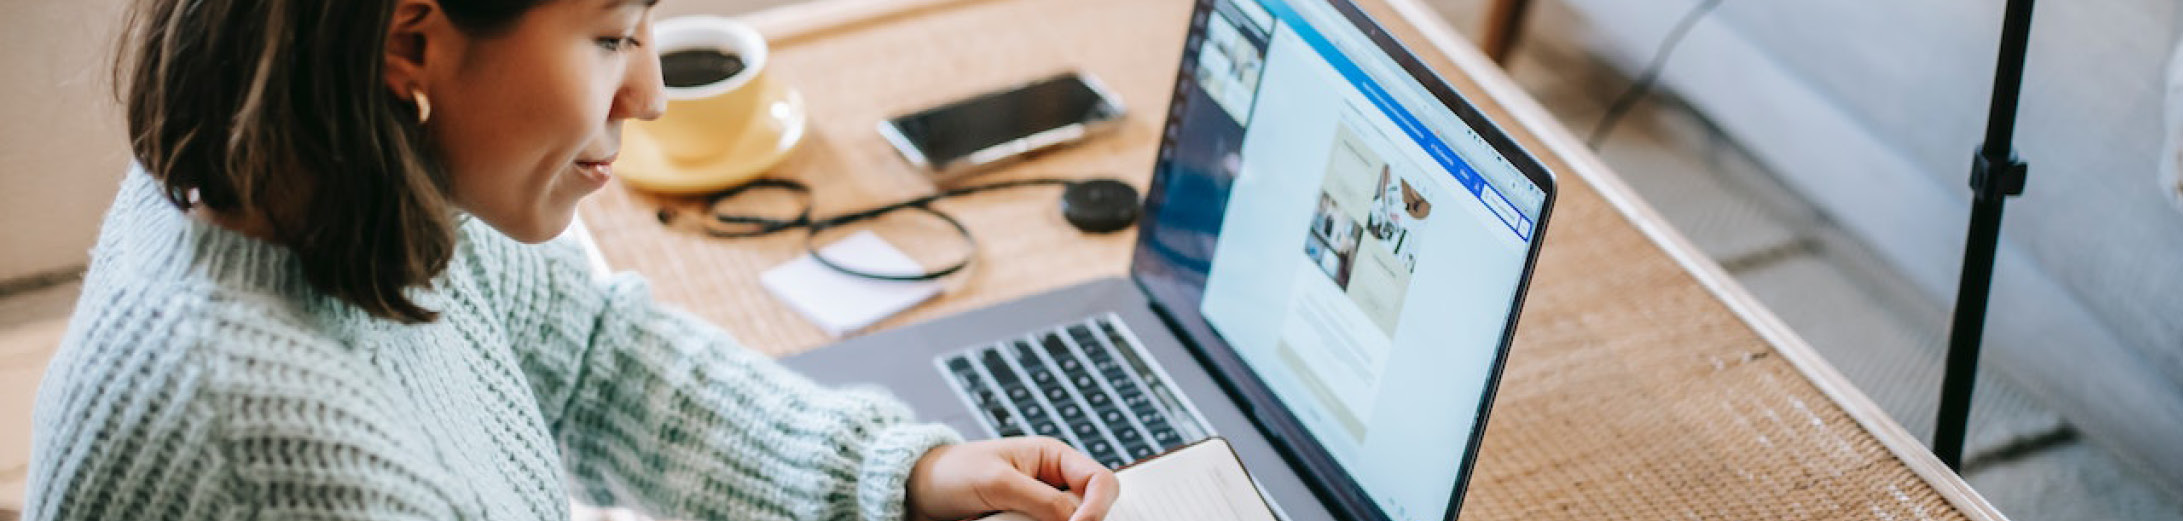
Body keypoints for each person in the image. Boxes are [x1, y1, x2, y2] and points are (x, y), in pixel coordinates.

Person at [22, 0, 1118, 520]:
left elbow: (597, 359)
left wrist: (900, 476)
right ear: (411, 41)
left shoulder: (321, 182)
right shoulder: (286, 459)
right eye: (607, 36)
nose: (645, 90)